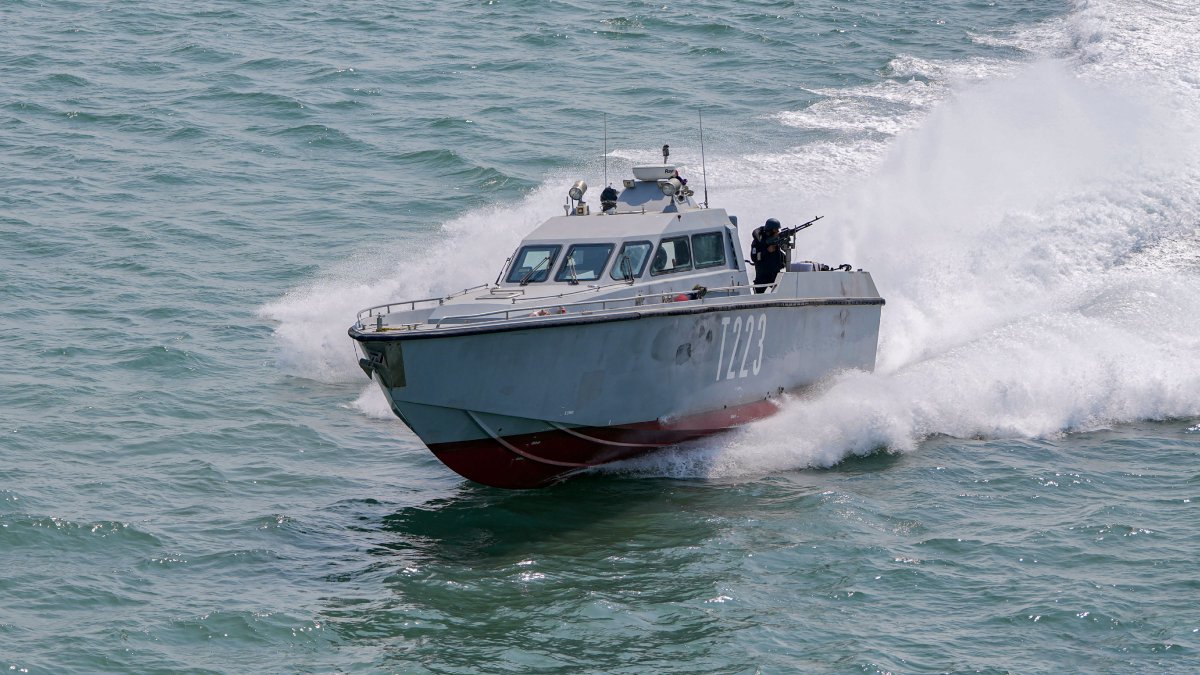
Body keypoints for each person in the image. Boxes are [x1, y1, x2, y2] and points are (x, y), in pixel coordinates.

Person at [751, 218, 786, 293]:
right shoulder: (758, 242)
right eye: (775, 230)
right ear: (770, 230)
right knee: (758, 296)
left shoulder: (775, 240)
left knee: (781, 294)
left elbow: (779, 255)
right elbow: (754, 258)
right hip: (762, 276)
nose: (777, 232)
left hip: (774, 275)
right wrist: (767, 251)